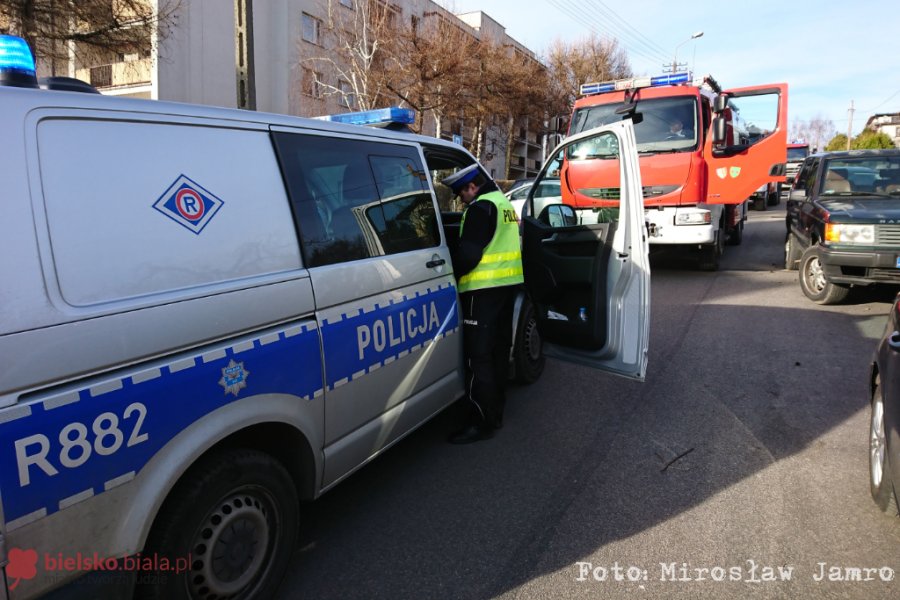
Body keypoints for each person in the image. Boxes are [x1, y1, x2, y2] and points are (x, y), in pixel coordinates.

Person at [441, 164, 524, 444]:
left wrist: (447, 270)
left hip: (481, 290)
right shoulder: (504, 204)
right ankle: (495, 412)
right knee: (499, 351)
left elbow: (469, 256)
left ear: (471, 187)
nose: (461, 200)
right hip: (506, 288)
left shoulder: (479, 208)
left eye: (461, 194)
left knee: (478, 359)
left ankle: (480, 421)